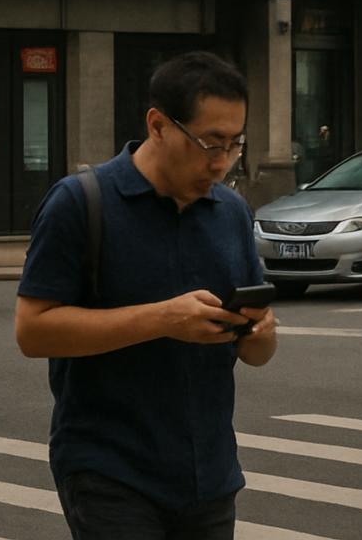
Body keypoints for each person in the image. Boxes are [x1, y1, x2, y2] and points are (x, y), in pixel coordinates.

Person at [15, 51, 276, 540]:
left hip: (211, 473)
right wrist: (161, 319)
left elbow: (256, 352)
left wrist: (260, 331)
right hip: (110, 470)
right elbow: (32, 330)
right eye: (208, 143)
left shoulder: (232, 213)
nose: (220, 163)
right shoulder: (80, 203)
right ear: (157, 125)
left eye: (234, 145)